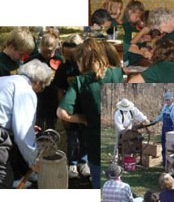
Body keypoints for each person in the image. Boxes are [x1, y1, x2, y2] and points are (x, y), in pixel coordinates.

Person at [56, 38, 124, 189]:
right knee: (118, 177)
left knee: (98, 183)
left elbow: (61, 112)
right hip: (118, 134)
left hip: (94, 139)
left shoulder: (79, 81)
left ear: (82, 60)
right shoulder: (117, 73)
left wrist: (80, 118)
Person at [0, 59, 53, 188]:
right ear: (38, 82)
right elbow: (23, 135)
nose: (41, 90)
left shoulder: (6, 80)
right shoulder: (26, 91)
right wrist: (34, 161)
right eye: (43, 86)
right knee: (4, 178)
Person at [53, 34, 90, 179]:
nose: (70, 59)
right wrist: (63, 112)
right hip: (71, 110)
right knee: (72, 138)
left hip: (85, 108)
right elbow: (60, 90)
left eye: (72, 56)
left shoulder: (86, 66)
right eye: (66, 55)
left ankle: (83, 161)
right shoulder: (63, 68)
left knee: (85, 137)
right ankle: (72, 163)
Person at [27, 29, 64, 130]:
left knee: (51, 121)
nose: (47, 55)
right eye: (44, 52)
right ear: (40, 47)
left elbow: (61, 79)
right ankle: (37, 137)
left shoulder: (59, 60)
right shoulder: (33, 60)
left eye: (50, 52)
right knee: (37, 121)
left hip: (52, 96)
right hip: (36, 96)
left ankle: (49, 136)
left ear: (56, 48)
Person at [153, 92, 174, 167]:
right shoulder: (165, 107)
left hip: (172, 129)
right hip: (164, 128)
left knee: (171, 147)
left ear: (171, 100)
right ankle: (164, 163)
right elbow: (161, 116)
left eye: (168, 100)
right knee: (164, 146)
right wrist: (155, 120)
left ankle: (171, 164)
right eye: (166, 100)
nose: (167, 101)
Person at [122, 0, 145, 66]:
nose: (138, 19)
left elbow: (137, 44)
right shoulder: (122, 27)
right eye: (137, 16)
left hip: (135, 62)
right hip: (126, 62)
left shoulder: (134, 27)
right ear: (129, 12)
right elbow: (127, 46)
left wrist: (142, 43)